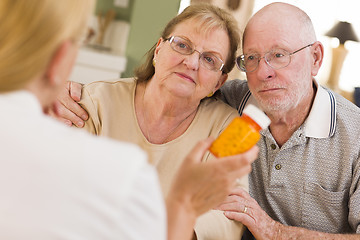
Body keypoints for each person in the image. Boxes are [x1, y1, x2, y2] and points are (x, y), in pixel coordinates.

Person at [0, 1, 259, 240]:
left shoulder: (229, 126)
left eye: (209, 59)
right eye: (182, 45)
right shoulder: (98, 98)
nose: (191, 62)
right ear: (158, 50)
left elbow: (229, 213)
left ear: (219, 82)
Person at [214, 2, 360, 239]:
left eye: (279, 55)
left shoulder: (356, 136)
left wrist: (273, 231)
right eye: (252, 57)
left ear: (315, 58)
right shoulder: (229, 103)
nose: (263, 73)